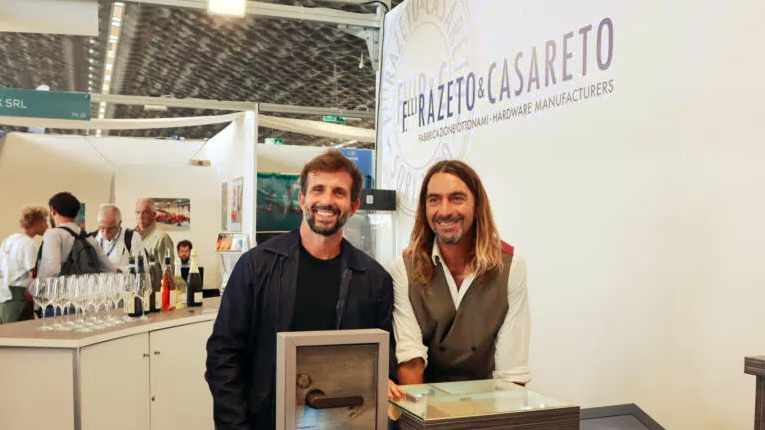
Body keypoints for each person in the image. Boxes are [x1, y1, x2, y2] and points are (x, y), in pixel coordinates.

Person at [206, 149, 402, 430]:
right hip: (266, 421)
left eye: (338, 192)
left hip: (344, 423)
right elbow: (223, 356)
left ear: (353, 207)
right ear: (302, 200)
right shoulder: (255, 267)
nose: (327, 200)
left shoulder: (375, 279)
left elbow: (384, 360)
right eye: (318, 189)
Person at [391, 160, 531, 386]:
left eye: (457, 198)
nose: (445, 211)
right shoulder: (403, 268)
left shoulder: (510, 267)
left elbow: (511, 373)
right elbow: (410, 361)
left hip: (488, 396)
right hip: (425, 395)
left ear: (477, 205)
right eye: (434, 200)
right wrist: (422, 409)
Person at [37, 192, 116, 280]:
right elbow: (110, 270)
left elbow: (51, 270)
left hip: (62, 288)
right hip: (86, 287)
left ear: (53, 210)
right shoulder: (89, 238)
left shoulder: (53, 235)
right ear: (77, 213)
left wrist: (35, 285)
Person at [0, 207, 48, 323]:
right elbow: (33, 273)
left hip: (5, 294)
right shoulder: (28, 243)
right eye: (44, 221)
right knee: (21, 330)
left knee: (9, 330)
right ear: (35, 222)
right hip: (21, 295)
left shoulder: (8, 241)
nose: (47, 225)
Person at [92, 204, 144, 272]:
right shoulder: (92, 239)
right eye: (102, 228)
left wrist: (120, 270)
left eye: (110, 229)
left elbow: (143, 266)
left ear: (119, 224)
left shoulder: (132, 237)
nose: (105, 233)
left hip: (123, 277)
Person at [135, 198, 175, 263]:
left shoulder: (162, 238)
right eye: (138, 212)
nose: (140, 216)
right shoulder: (129, 236)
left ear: (153, 215)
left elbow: (168, 268)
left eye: (145, 212)